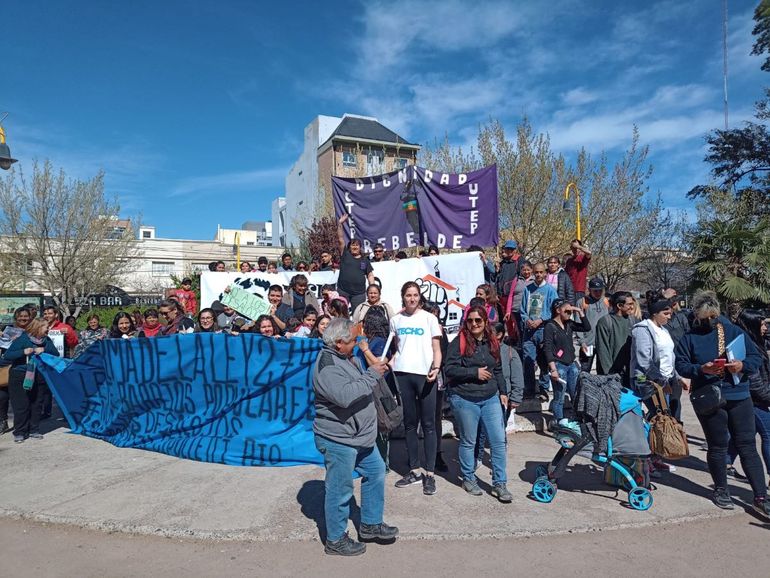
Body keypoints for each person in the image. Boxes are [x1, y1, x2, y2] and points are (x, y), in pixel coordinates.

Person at [675, 291, 770, 518]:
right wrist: (701, 369)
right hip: (709, 396)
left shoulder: (734, 332)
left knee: (747, 444)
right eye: (704, 317)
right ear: (697, 315)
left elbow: (756, 358)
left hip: (739, 395)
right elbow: (681, 364)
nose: (709, 321)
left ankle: (760, 496)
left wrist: (741, 365)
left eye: (712, 316)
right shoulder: (689, 338)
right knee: (717, 445)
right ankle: (721, 489)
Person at [312, 317, 397, 556]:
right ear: (339, 343)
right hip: (339, 439)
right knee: (340, 490)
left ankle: (370, 524)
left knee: (375, 471)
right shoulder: (327, 366)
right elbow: (345, 396)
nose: (358, 342)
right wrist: (372, 375)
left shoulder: (344, 357)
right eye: (353, 339)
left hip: (359, 437)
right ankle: (335, 540)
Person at [444, 306, 512, 502]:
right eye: (470, 320)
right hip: (465, 398)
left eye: (478, 320)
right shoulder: (459, 342)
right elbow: (449, 369)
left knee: (499, 441)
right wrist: (474, 373)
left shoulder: (492, 342)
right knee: (469, 440)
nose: (474, 324)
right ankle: (468, 478)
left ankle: (500, 483)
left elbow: (498, 368)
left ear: (485, 322)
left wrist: (503, 391)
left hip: (490, 397)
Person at [390, 281, 442, 495]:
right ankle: (414, 470)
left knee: (429, 425)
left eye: (415, 295)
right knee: (410, 425)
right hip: (404, 375)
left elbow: (436, 349)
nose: (412, 298)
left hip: (425, 376)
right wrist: (392, 361)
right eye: (408, 295)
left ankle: (429, 474)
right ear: (403, 297)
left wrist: (436, 368)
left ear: (420, 297)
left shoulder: (430, 318)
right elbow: (397, 348)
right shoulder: (395, 320)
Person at [726, 309, 770, 483]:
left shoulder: (756, 341)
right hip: (752, 400)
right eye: (762, 324)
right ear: (752, 325)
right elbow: (755, 384)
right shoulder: (746, 346)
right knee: (767, 434)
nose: (766, 327)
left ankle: (725, 463)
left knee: (744, 435)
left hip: (756, 398)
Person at [4, 318, 60, 443]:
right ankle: (20, 431)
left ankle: (34, 429)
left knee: (36, 404)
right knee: (21, 405)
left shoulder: (46, 341)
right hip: (20, 375)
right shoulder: (23, 339)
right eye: (46, 327)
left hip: (39, 375)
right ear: (38, 327)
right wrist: (23, 352)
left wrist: (45, 350)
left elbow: (56, 354)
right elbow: (8, 355)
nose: (48, 329)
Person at [355, 306, 397, 469]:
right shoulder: (370, 340)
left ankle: (382, 464)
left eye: (365, 324)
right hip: (368, 388)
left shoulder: (379, 342)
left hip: (379, 391)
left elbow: (380, 365)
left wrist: (365, 350)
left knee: (380, 428)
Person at [543, 299, 591, 433]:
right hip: (559, 365)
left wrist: (580, 312)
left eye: (571, 311)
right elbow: (547, 348)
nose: (569, 313)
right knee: (559, 397)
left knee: (575, 395)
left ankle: (575, 421)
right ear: (558, 310)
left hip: (572, 364)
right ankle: (559, 424)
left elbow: (586, 327)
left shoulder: (569, 324)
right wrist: (553, 369)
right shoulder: (550, 326)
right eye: (567, 311)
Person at [520, 262, 559, 400]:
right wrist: (526, 320)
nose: (538, 275)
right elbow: (522, 310)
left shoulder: (550, 290)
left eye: (541, 272)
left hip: (544, 330)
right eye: (536, 272)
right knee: (528, 361)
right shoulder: (527, 289)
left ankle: (543, 388)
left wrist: (541, 319)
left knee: (544, 361)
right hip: (529, 331)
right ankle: (529, 389)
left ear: (545, 273)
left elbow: (554, 311)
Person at [0, 307, 33, 434]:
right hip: (6, 366)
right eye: (20, 316)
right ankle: (3, 421)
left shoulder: (33, 331)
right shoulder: (7, 330)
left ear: (30, 317)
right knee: (2, 396)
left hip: (24, 368)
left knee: (23, 398)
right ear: (16, 317)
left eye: (26, 316)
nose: (23, 318)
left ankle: (25, 424)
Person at [337, 214, 376, 312]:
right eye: (352, 245)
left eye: (357, 245)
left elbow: (370, 275)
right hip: (343, 291)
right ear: (349, 247)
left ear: (360, 247)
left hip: (359, 294)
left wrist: (372, 287)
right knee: (341, 315)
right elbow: (340, 239)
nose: (354, 247)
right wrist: (340, 224)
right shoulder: (345, 254)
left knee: (357, 316)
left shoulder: (365, 260)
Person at [595, 291, 636, 384]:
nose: (632, 307)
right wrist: (610, 374)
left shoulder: (632, 320)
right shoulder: (605, 322)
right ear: (619, 306)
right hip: (611, 373)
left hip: (628, 371)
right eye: (629, 304)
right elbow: (602, 349)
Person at [577, 277, 610, 372]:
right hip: (587, 344)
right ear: (589, 290)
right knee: (585, 372)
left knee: (603, 372)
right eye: (595, 291)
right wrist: (582, 342)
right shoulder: (582, 302)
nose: (598, 293)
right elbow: (578, 323)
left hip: (603, 344)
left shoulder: (606, 302)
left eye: (600, 290)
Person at [496, 240, 524, 307]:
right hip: (501, 296)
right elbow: (498, 279)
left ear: (515, 250)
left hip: (513, 296)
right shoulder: (502, 263)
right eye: (507, 249)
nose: (509, 251)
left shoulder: (520, 260)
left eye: (511, 249)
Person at [564, 239, 592, 303]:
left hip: (579, 290)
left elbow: (589, 253)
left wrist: (578, 246)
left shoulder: (583, 258)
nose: (575, 249)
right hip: (569, 290)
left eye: (576, 247)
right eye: (573, 247)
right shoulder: (569, 261)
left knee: (578, 309)